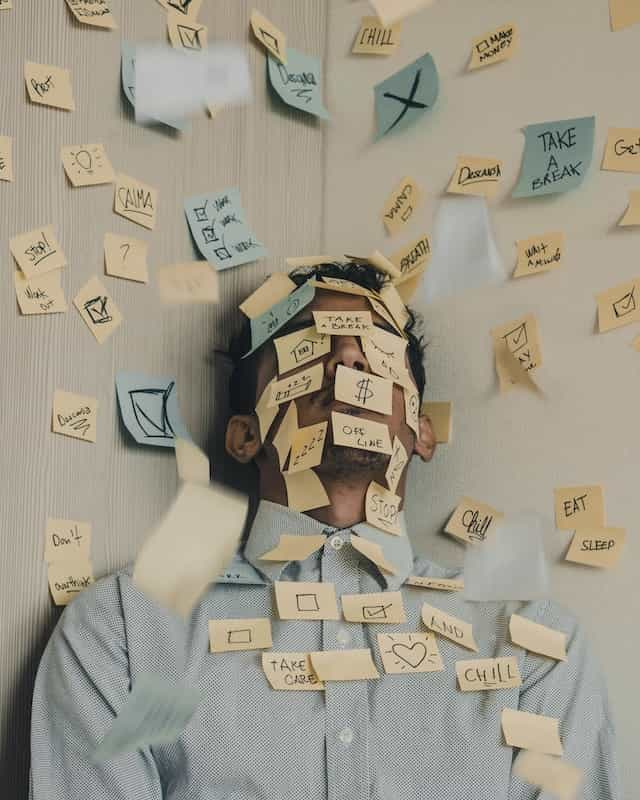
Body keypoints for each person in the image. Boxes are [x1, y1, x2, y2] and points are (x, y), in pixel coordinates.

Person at [30, 262, 620, 799]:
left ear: (420, 431)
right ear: (245, 435)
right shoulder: (125, 631)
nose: (347, 360)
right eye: (308, 344)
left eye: (376, 350)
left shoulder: (535, 647)